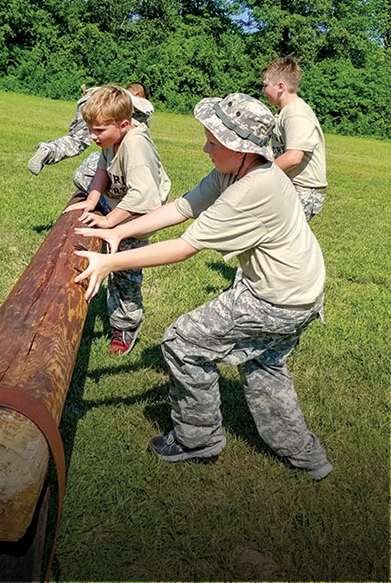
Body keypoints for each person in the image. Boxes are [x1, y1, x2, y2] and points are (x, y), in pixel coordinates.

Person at [72, 92, 333, 481]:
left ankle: (198, 439)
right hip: (303, 291)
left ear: (240, 149)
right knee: (263, 365)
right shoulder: (237, 171)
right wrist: (118, 230)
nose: (205, 148)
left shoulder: (253, 188)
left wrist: (110, 262)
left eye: (213, 142)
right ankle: (309, 458)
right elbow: (182, 207)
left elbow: (184, 246)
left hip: (274, 299)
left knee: (183, 343)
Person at [64, 85, 171, 356]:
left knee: (124, 272)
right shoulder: (112, 140)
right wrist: (90, 201)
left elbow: (144, 196)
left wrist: (110, 221)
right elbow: (102, 168)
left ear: (124, 124)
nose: (93, 136)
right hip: (121, 204)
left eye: (98, 130)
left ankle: (126, 325)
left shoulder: (135, 144)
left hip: (138, 217)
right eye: (90, 129)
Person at [27, 82, 153, 194]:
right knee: (89, 169)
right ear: (138, 94)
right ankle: (110, 199)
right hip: (112, 111)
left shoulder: (110, 93)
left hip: (92, 98)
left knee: (76, 140)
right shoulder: (135, 103)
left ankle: (49, 149)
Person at [262, 56, 328, 221]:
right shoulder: (284, 112)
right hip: (291, 186)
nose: (263, 91)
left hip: (304, 191)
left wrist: (258, 175)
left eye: (265, 86)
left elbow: (293, 157)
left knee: (280, 241)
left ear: (280, 87)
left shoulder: (296, 113)